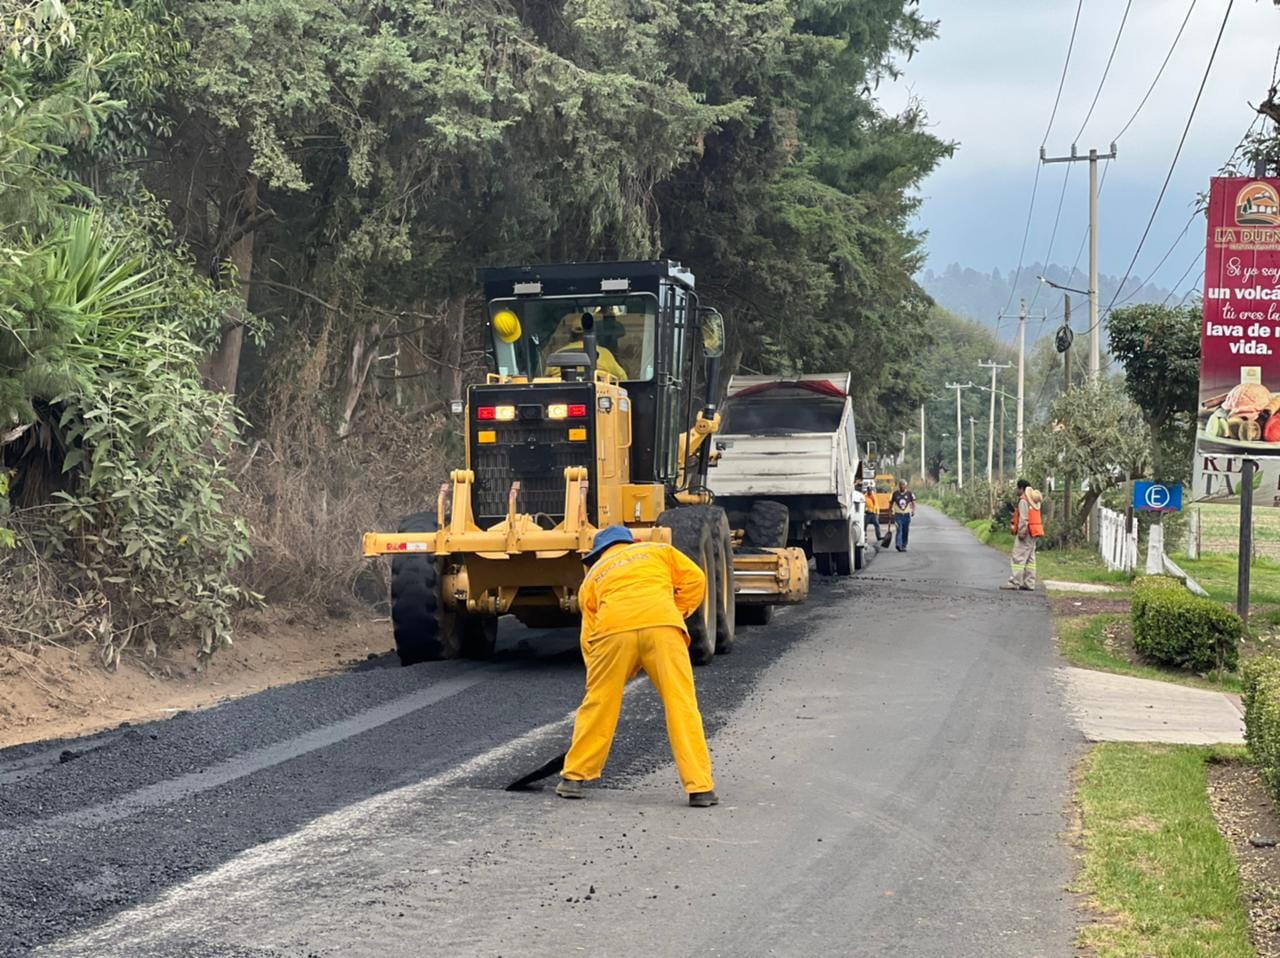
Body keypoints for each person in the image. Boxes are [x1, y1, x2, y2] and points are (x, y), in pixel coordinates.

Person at [556, 525, 718, 808]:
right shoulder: (658, 551)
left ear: (600, 553)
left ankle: (573, 777)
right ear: (631, 542)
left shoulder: (593, 576)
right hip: (663, 627)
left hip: (612, 631)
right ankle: (700, 787)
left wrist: (605, 673)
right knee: (681, 704)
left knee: (599, 702)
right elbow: (696, 579)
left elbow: (589, 636)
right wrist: (677, 610)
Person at [548, 312, 627, 380]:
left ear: (571, 335)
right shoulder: (605, 354)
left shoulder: (557, 354)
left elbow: (545, 379)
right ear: (594, 333)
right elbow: (623, 377)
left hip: (561, 394)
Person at [1004, 479, 1044, 591]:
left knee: (1018, 557)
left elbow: (1024, 518)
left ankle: (1015, 582)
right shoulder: (1034, 501)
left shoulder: (1023, 500)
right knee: (1030, 559)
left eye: (1017, 488)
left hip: (1026, 532)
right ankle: (1029, 583)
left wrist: (1021, 532)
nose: (1017, 490)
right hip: (1034, 532)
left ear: (1021, 488)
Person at [891, 479, 916, 551]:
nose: (902, 487)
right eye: (901, 485)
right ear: (899, 486)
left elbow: (913, 502)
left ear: (906, 486)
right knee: (899, 530)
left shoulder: (909, 493)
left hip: (906, 515)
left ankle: (904, 545)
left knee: (905, 530)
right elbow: (891, 503)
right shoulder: (895, 494)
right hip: (898, 515)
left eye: (903, 485)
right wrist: (890, 512)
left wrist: (913, 511)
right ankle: (898, 544)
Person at [861, 479, 883, 544]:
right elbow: (863, 505)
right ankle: (864, 537)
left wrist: (877, 513)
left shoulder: (874, 496)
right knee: (864, 526)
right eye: (869, 491)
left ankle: (879, 537)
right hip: (867, 514)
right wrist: (865, 510)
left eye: (871, 490)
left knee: (877, 525)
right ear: (867, 491)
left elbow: (876, 504)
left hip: (874, 514)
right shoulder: (864, 497)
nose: (870, 492)